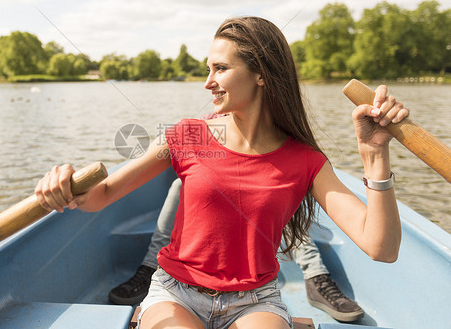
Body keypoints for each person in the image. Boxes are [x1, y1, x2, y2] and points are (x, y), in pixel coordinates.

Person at [35, 16, 407, 329]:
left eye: (221, 69)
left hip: (255, 300)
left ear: (260, 75)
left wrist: (375, 155)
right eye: (208, 69)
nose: (207, 82)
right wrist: (63, 182)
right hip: (177, 291)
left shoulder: (305, 160)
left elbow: (382, 248)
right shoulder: (187, 135)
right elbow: (99, 196)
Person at [108, 177, 364, 322]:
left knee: (279, 182)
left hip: (255, 291)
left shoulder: (287, 138)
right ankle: (150, 266)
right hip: (181, 285)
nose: (211, 83)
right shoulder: (210, 125)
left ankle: (315, 276)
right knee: (182, 185)